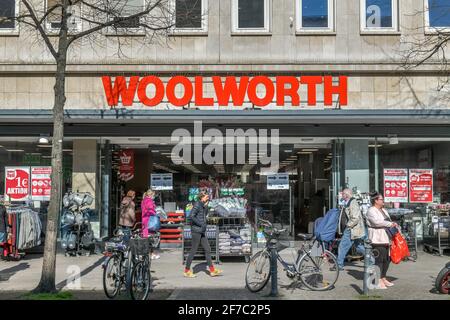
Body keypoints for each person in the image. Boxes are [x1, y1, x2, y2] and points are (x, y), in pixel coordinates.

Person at [184, 191, 222, 278]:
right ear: (202, 197)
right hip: (196, 231)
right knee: (193, 251)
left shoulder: (201, 205)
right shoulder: (197, 204)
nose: (208, 197)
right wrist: (201, 224)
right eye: (206, 197)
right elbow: (191, 216)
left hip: (201, 231)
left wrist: (206, 206)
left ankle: (212, 271)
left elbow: (204, 214)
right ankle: (186, 271)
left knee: (207, 249)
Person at [367, 191, 399, 289]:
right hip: (377, 238)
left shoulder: (383, 210)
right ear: (376, 201)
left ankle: (383, 277)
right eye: (381, 199)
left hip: (386, 237)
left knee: (387, 259)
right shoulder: (371, 210)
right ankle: (378, 280)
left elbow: (387, 220)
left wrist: (393, 224)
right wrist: (390, 224)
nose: (383, 200)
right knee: (379, 259)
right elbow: (377, 222)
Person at [334, 188, 367, 271]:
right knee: (359, 246)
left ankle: (339, 265)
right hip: (354, 229)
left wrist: (348, 226)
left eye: (343, 194)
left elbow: (355, 218)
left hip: (352, 229)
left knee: (342, 246)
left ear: (347, 195)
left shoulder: (353, 203)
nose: (342, 196)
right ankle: (371, 260)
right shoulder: (349, 202)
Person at [142, 189, 160, 260]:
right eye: (153, 195)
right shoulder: (149, 201)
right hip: (150, 220)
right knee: (151, 238)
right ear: (150, 195)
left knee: (146, 237)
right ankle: (151, 254)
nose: (154, 196)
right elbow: (150, 210)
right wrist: (156, 212)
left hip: (145, 220)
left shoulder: (144, 200)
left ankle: (148, 254)